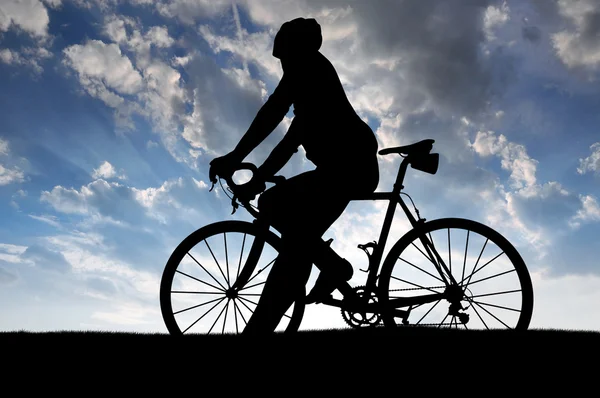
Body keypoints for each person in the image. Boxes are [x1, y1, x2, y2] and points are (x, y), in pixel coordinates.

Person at [209, 17, 379, 335]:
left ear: (297, 50)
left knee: (280, 214)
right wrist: (242, 162)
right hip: (342, 167)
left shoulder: (311, 72)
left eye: (284, 56)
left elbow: (284, 132)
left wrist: (249, 169)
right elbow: (275, 116)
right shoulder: (306, 71)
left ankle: (330, 269)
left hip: (349, 167)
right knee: (293, 238)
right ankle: (327, 269)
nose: (283, 65)